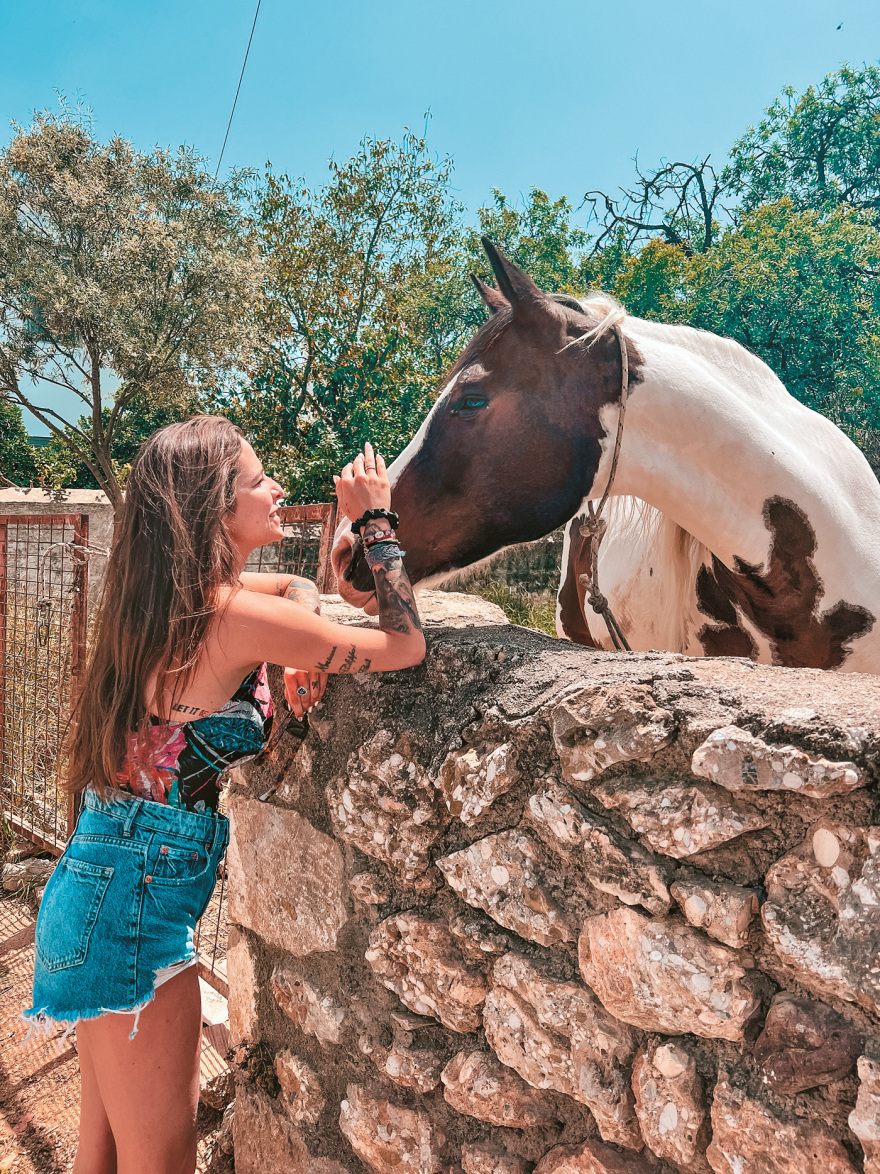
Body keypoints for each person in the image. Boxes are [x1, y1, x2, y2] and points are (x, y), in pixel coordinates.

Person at [24, 417, 424, 1174]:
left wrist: (299, 625)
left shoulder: (173, 603)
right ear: (213, 510)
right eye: (257, 480)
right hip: (130, 917)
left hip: (99, 890)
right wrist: (374, 521)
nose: (277, 490)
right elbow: (406, 646)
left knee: (100, 1157)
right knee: (158, 1165)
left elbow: (289, 587)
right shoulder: (232, 615)